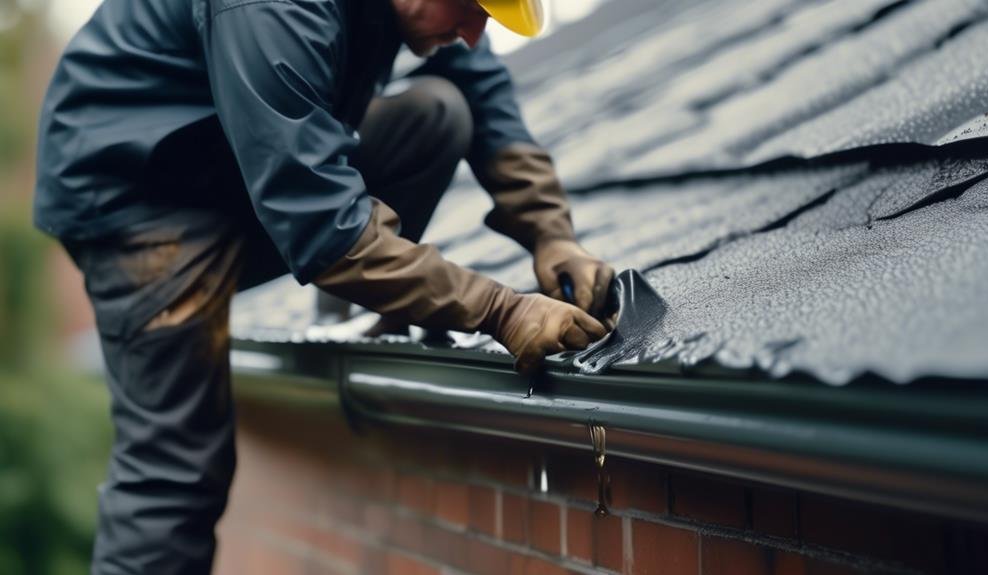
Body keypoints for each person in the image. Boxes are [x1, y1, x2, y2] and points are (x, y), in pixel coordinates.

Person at [34, 0, 615, 572]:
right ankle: (362, 281)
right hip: (142, 196)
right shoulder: (272, 7)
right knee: (176, 467)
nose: (471, 34)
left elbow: (484, 91)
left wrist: (550, 232)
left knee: (438, 112)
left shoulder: (432, 13)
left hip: (237, 158)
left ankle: (358, 304)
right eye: (469, 10)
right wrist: (502, 311)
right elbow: (319, 224)